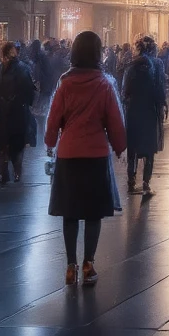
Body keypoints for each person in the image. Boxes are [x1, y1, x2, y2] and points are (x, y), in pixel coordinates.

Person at [46, 31, 126, 286]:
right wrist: (120, 146)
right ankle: (89, 263)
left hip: (68, 154)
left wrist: (50, 142)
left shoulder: (64, 83)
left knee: (70, 212)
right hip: (95, 155)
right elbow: (114, 120)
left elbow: (53, 117)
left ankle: (70, 266)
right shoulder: (104, 84)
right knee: (93, 213)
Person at [122, 34, 166, 197]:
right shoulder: (157, 64)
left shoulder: (131, 65)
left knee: (132, 147)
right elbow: (160, 89)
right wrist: (161, 106)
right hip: (150, 110)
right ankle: (146, 183)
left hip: (133, 110)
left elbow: (124, 91)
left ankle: (130, 182)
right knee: (149, 147)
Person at [0, 41, 38, 183]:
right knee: (17, 143)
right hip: (18, 111)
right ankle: (17, 172)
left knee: (3, 144)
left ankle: (3, 173)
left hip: (3, 112)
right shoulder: (23, 68)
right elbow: (29, 90)